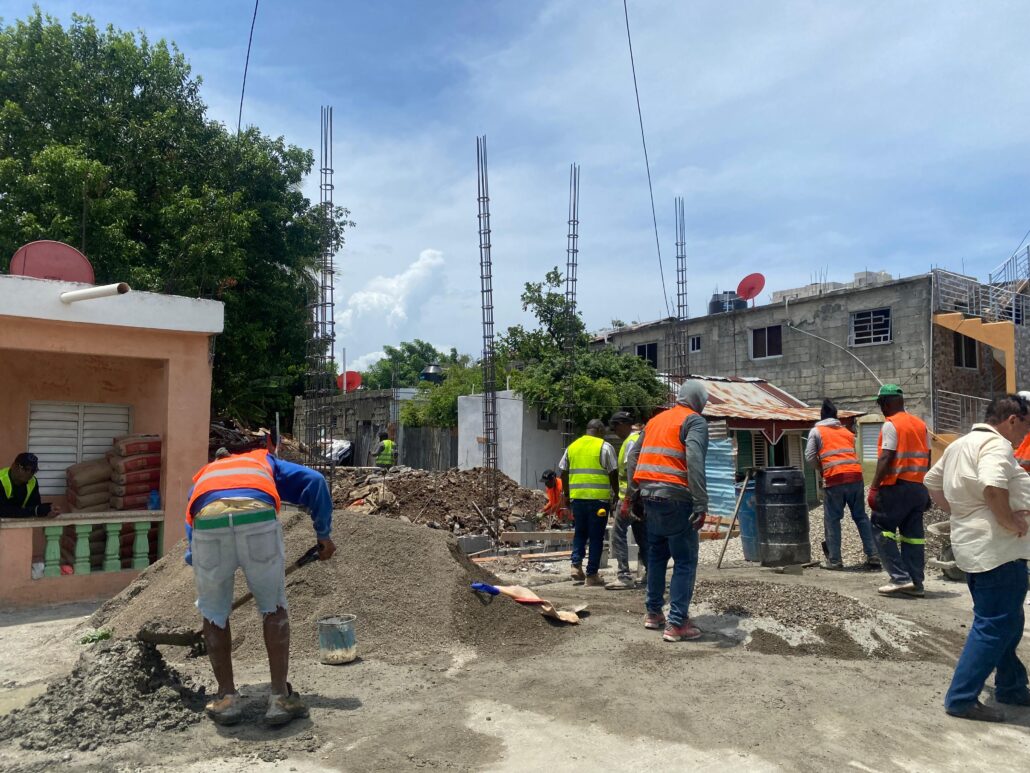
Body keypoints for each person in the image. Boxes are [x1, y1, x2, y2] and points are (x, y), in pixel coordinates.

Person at [185, 432, 336, 727]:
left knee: (214, 613)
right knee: (273, 607)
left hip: (207, 521)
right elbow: (315, 482)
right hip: (257, 518)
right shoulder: (262, 460)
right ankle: (279, 698)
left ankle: (227, 699)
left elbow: (190, 528)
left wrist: (198, 558)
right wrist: (323, 535)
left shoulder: (204, 475)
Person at [923, 394, 1030, 722]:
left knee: (1007, 621)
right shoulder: (997, 446)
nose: (1025, 435)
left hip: (974, 547)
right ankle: (961, 697)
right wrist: (1009, 521)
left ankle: (1011, 686)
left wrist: (961, 511)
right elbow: (993, 487)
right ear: (1012, 420)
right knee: (994, 624)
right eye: (1025, 427)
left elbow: (931, 482)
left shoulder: (959, 445)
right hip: (997, 551)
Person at [626, 381, 710, 642]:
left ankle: (653, 614)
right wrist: (700, 502)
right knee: (685, 560)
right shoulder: (694, 421)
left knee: (657, 556)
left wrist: (633, 494)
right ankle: (676, 624)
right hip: (677, 499)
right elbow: (694, 460)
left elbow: (632, 457)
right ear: (699, 402)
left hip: (650, 496)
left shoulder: (656, 421)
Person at [867, 384, 932, 597]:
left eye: (881, 405)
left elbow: (886, 457)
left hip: (896, 488)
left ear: (887, 403)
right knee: (912, 536)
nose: (882, 409)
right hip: (918, 488)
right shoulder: (921, 425)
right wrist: (926, 488)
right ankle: (916, 583)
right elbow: (928, 460)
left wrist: (874, 487)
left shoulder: (891, 425)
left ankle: (900, 578)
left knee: (880, 527)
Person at [805, 399, 879, 570]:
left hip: (834, 479)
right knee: (860, 517)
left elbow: (809, 457)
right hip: (855, 477)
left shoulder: (816, 431)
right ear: (836, 416)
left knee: (832, 520)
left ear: (822, 416)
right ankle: (873, 554)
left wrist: (822, 469)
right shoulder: (847, 432)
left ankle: (835, 560)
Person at [559, 419, 618, 586]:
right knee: (596, 536)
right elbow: (613, 471)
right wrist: (616, 494)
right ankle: (592, 574)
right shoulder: (604, 447)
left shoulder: (573, 447)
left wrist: (567, 494)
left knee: (580, 532)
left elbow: (563, 472)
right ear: (599, 429)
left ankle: (576, 566)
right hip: (598, 500)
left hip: (577, 498)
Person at [606, 411, 648, 590]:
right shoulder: (638, 438)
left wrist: (627, 500)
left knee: (618, 535)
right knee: (642, 536)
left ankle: (624, 576)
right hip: (642, 497)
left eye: (615, 427)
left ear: (624, 424)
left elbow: (632, 473)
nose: (615, 432)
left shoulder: (631, 442)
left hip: (631, 499)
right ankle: (649, 573)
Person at [0, 453, 61, 518]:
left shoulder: (32, 482)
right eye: (25, 469)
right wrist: (35, 511)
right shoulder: (1, 479)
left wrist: (46, 511)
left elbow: (33, 507)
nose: (29, 473)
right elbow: (2, 511)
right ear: (14, 466)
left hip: (18, 524)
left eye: (33, 470)